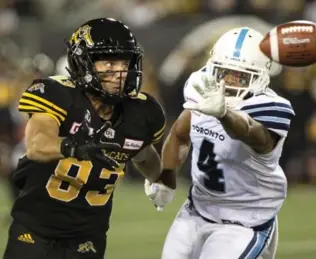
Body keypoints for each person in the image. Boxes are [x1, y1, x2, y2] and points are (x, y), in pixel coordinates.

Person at [3, 18, 175, 259]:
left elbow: (143, 155)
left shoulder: (141, 113)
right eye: (109, 62)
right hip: (35, 231)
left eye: (124, 62)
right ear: (83, 62)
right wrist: (78, 147)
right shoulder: (57, 94)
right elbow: (36, 145)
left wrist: (160, 179)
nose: (119, 72)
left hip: (88, 237)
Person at [146, 27, 295, 259]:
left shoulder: (269, 106)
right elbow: (180, 134)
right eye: (223, 73)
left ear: (261, 77)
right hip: (196, 211)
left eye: (240, 77)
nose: (228, 82)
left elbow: (255, 136)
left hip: (245, 221)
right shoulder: (200, 86)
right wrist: (166, 177)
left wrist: (224, 113)